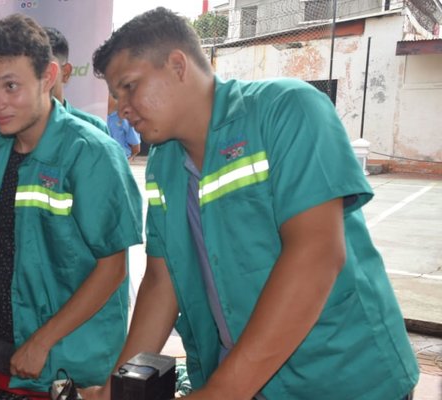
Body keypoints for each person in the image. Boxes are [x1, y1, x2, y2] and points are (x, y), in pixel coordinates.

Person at [84, 7, 419, 400]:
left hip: (342, 379)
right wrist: (114, 389)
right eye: (116, 94)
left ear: (177, 65)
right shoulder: (163, 165)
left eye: (129, 86)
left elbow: (316, 254)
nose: (121, 107)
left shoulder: (287, 111)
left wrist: (223, 392)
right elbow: (162, 282)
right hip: (238, 378)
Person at [0, 14, 143, 392]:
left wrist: (42, 340)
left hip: (68, 352)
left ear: (48, 77)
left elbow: (112, 269)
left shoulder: (91, 154)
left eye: (11, 86)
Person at [45, 26, 109, 134]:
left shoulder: (94, 129)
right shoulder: (13, 131)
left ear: (65, 73)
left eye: (46, 73)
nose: (36, 82)